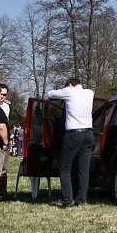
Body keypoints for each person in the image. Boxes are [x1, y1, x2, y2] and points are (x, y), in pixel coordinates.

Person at [48, 77, 95, 208]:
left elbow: (50, 94)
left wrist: (66, 91)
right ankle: (81, 200)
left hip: (73, 134)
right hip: (89, 133)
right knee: (83, 169)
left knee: (64, 168)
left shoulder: (69, 91)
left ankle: (67, 201)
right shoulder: (89, 92)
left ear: (69, 84)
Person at [0, 83, 11, 200]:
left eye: (5, 95)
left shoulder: (6, 106)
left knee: (4, 168)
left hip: (5, 140)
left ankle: (3, 191)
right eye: (1, 94)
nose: (3, 97)